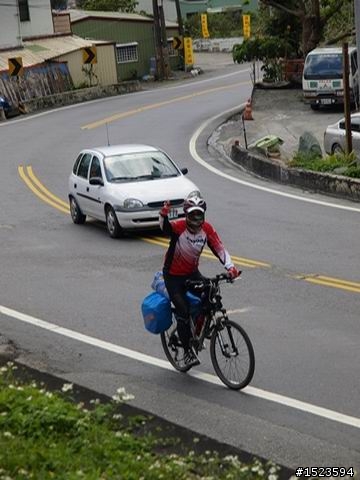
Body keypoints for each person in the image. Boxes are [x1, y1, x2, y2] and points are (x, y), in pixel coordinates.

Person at [159, 195, 240, 368]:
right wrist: (163, 215)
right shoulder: (179, 228)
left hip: (191, 272)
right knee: (183, 309)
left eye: (199, 215)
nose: (196, 220)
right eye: (192, 215)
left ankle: (197, 331)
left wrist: (231, 268)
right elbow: (165, 229)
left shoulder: (207, 229)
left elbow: (219, 247)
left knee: (211, 292)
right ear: (186, 215)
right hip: (173, 276)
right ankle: (188, 351)